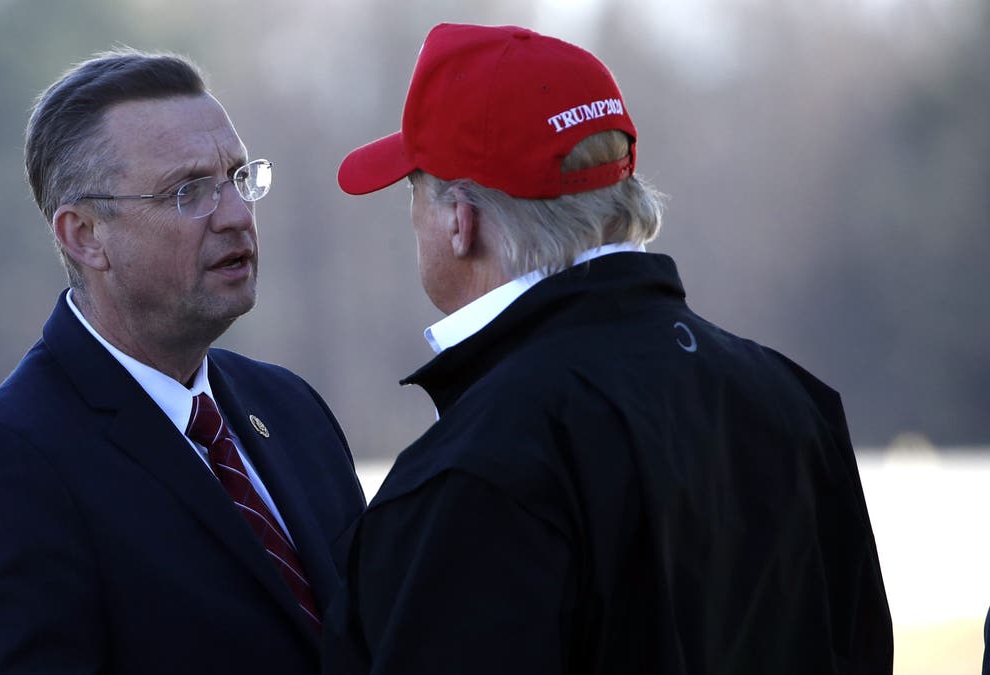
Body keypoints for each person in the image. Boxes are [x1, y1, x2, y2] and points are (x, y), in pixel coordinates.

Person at [323, 23, 892, 674]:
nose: (412, 215)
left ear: (460, 220)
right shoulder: (793, 403)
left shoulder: (479, 468)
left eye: (413, 189)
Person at [0, 49, 365, 674]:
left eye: (238, 177)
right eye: (188, 191)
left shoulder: (290, 410)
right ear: (85, 235)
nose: (235, 215)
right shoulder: (6, 465)